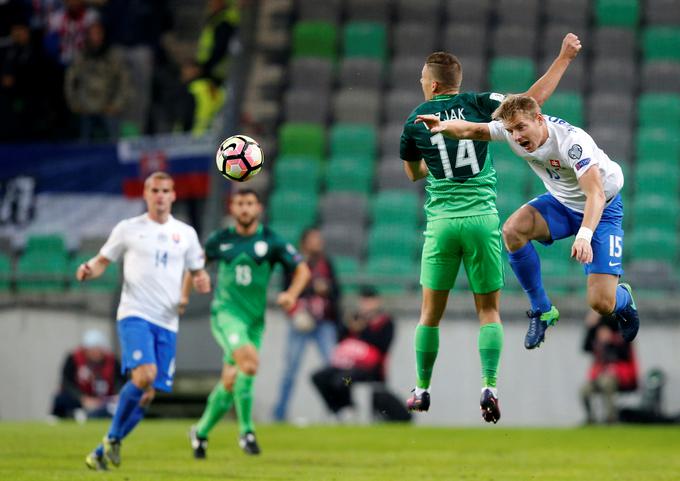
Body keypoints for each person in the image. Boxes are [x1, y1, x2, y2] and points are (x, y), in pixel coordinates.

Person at [400, 33, 582, 423]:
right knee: (489, 313)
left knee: (429, 315)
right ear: (457, 82)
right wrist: (564, 57)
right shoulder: (481, 104)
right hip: (482, 222)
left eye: (421, 78)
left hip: (442, 224)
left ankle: (421, 388)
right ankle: (489, 386)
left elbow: (413, 173)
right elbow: (531, 104)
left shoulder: (415, 120)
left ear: (431, 84)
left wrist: (429, 156)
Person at [415, 94, 640, 352]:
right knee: (512, 231)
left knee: (601, 303)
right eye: (511, 130)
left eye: (522, 127)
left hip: (602, 208)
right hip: (561, 202)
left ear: (539, 119)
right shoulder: (514, 132)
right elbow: (472, 129)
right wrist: (443, 126)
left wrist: (584, 235)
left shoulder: (572, 143)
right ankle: (541, 309)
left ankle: (625, 300)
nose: (517, 136)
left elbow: (595, 195)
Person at [76, 171, 211, 471]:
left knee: (147, 394)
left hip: (167, 322)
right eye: (155, 190)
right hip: (135, 314)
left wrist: (199, 282)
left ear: (174, 195)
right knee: (145, 375)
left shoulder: (186, 233)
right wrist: (87, 268)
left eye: (165, 190)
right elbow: (102, 261)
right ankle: (112, 437)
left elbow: (195, 269)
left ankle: (101, 452)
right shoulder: (128, 229)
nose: (160, 195)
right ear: (146, 194)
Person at [189, 189, 311, 457]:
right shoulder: (219, 240)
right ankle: (247, 432)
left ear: (259, 208)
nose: (244, 208)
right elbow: (195, 266)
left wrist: (291, 294)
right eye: (239, 204)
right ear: (231, 209)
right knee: (249, 363)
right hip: (227, 315)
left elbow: (302, 269)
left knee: (233, 378)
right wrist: (184, 294)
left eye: (250, 204)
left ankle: (200, 433)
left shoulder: (271, 241)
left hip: (254, 320)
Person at [272, 227, 341, 422]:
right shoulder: (294, 264)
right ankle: (279, 413)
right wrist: (295, 312)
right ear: (304, 242)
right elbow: (286, 292)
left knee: (335, 368)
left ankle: (339, 410)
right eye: (313, 239)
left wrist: (326, 290)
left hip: (324, 322)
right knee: (290, 370)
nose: (317, 243)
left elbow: (337, 292)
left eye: (319, 239)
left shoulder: (326, 263)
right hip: (300, 323)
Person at [311, 286, 408, 422]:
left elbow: (382, 346)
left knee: (342, 381)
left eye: (369, 300)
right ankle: (337, 409)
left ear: (377, 301)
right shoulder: (353, 318)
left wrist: (364, 329)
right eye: (363, 301)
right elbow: (339, 339)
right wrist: (347, 325)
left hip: (369, 370)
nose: (366, 304)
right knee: (319, 377)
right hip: (346, 365)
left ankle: (349, 408)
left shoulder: (385, 322)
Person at [64, 21, 131, 141]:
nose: (95, 37)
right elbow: (70, 81)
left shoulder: (113, 56)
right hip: (85, 107)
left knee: (114, 141)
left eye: (98, 33)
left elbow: (124, 82)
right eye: (92, 34)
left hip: (108, 106)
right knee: (82, 142)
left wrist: (116, 104)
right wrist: (74, 104)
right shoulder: (81, 56)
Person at [51, 329, 126, 420]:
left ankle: (83, 416)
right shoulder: (74, 359)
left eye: (98, 349)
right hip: (81, 399)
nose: (96, 353)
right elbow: (67, 382)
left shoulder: (113, 362)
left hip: (105, 401)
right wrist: (82, 398)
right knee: (60, 397)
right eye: (92, 349)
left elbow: (121, 382)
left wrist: (117, 396)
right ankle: (61, 417)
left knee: (118, 405)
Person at [580, 311, 638, 424]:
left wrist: (611, 340)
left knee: (606, 383)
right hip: (600, 375)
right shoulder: (597, 339)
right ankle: (591, 419)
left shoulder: (621, 337)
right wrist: (589, 327)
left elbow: (625, 355)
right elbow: (585, 347)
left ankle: (611, 419)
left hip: (620, 375)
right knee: (584, 390)